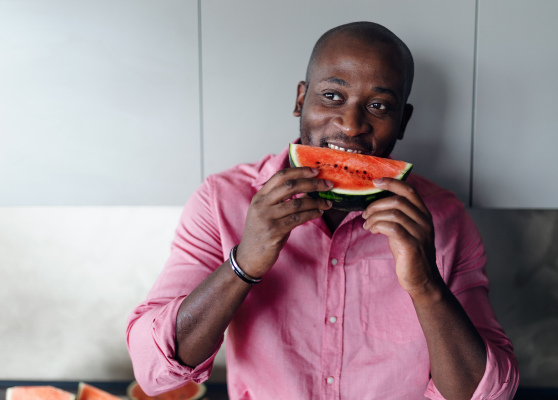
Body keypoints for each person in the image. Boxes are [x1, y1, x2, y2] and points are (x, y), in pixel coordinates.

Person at [126, 22, 519, 399]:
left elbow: (484, 394)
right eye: (333, 96)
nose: (350, 126)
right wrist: (242, 265)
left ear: (403, 122)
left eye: (379, 105)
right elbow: (153, 370)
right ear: (301, 99)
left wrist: (426, 286)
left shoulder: (445, 220)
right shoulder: (221, 201)